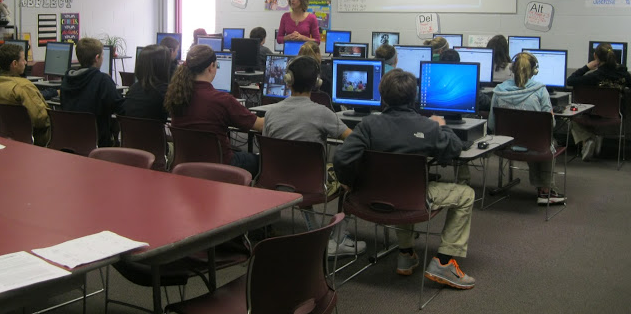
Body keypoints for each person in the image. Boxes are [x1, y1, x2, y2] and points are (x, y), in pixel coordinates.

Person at [333, 69, 476, 289]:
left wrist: (351, 182)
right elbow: (455, 149)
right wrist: (441, 125)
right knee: (466, 194)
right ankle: (445, 262)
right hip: (411, 199)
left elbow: (342, 158)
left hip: (371, 197)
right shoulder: (428, 127)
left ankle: (406, 254)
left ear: (381, 95)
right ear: (415, 96)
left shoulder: (368, 126)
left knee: (403, 188)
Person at [262, 55, 361, 255]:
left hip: (276, 181)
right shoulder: (322, 113)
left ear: (288, 80)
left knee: (300, 168)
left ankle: (314, 231)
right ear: (316, 83)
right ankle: (338, 238)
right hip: (313, 183)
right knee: (351, 175)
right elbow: (353, 140)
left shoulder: (271, 113)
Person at [165, 44, 263, 174]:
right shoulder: (222, 100)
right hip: (221, 166)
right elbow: (259, 125)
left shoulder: (176, 95)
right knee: (262, 161)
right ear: (211, 67)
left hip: (185, 166)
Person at [488, 52, 565, 204]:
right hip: (534, 146)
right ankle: (545, 191)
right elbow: (551, 125)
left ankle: (542, 189)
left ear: (512, 69)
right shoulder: (540, 91)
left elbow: (491, 125)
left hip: (505, 146)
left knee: (535, 140)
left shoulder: (498, 91)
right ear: (534, 71)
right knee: (547, 142)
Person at [566, 42, 631, 160]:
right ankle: (595, 137)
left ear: (595, 56)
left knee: (573, 116)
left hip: (592, 112)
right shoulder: (623, 73)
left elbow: (570, 81)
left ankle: (588, 139)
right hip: (615, 114)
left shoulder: (594, 76)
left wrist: (587, 67)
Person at [61, 37, 125, 147]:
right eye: (103, 55)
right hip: (97, 145)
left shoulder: (67, 79)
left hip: (70, 142)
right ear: (97, 58)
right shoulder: (103, 81)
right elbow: (120, 109)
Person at [0, 43, 50, 145]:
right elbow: (41, 119)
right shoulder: (23, 87)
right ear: (14, 64)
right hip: (35, 139)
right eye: (23, 59)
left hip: (8, 136)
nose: (25, 62)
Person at [124, 45, 172, 122]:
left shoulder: (132, 90)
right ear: (163, 67)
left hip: (133, 133)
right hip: (156, 133)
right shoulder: (165, 92)